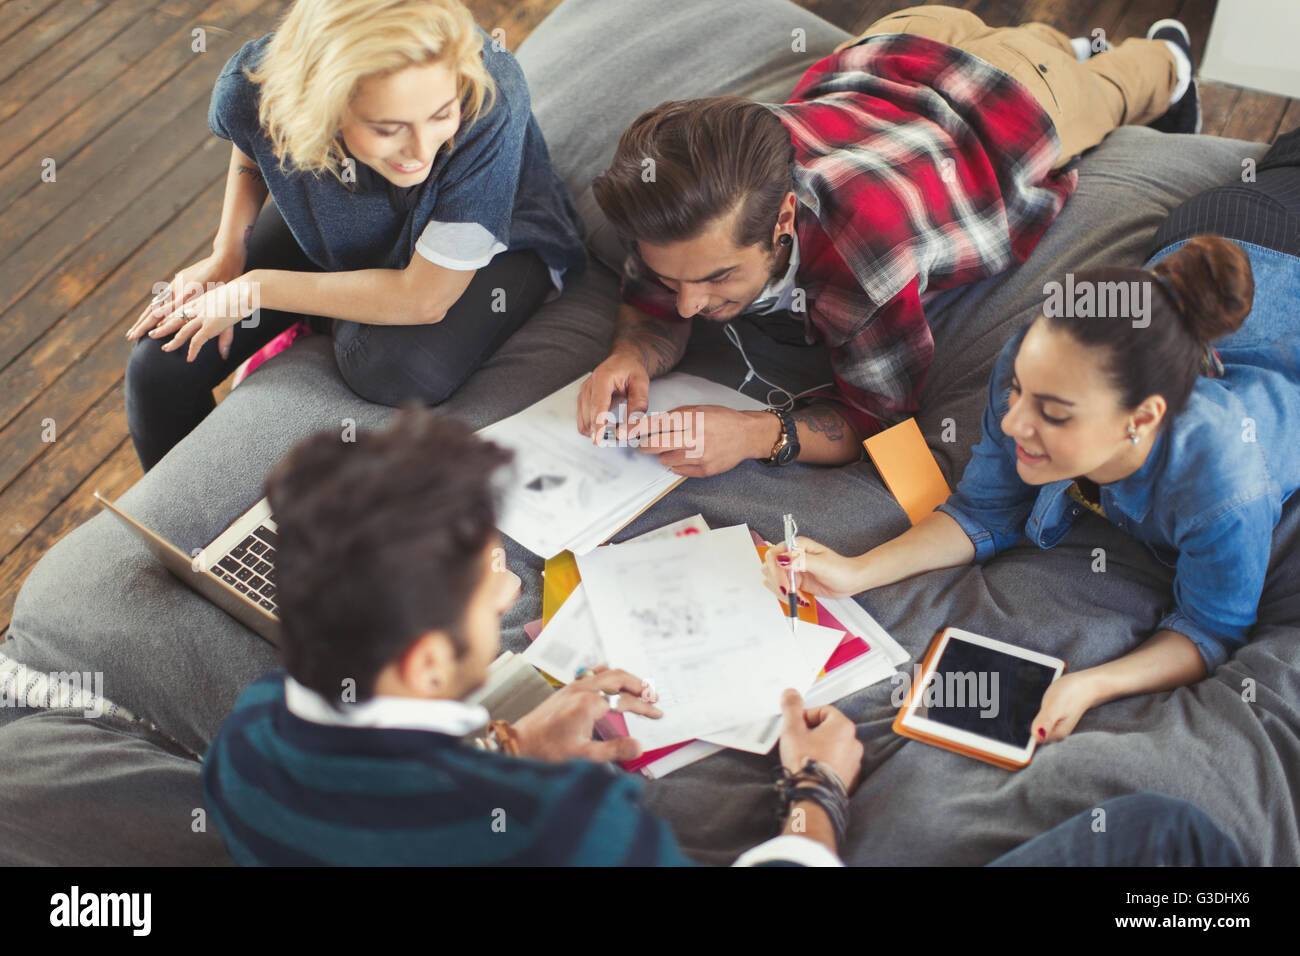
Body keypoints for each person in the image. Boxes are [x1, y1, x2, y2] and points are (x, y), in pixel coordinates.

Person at [763, 130, 1300, 743]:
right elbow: (980, 512)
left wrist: (1091, 683)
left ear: (1142, 419)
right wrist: (856, 572)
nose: (1013, 422)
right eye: (1019, 391)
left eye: (1055, 413)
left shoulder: (1225, 482)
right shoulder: (1034, 359)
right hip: (1220, 230)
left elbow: (1210, 629)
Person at [201, 407, 864, 866]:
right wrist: (817, 790)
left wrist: (506, 745)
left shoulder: (242, 740)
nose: (506, 590)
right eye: (487, 578)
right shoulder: (566, 824)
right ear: (427, 662)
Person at [576, 7, 1199, 478]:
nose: (687, 306)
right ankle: (1072, 46)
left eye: (716, 279)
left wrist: (752, 434)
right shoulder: (675, 205)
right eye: (670, 280)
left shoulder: (863, 261)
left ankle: (1164, 59)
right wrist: (631, 354)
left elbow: (881, 425)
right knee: (1043, 44)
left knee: (1112, 87)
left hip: (1010, 94)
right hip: (889, 42)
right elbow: (654, 311)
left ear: (784, 221)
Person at [124, 0, 586, 471]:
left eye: (442, 115)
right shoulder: (254, 82)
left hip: (496, 240)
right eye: (389, 129)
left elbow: (425, 298)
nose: (423, 152)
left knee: (395, 368)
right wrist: (228, 253)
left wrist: (254, 287)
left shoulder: (493, 99)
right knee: (158, 367)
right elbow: (252, 143)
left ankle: (319, 314)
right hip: (340, 215)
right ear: (322, 103)